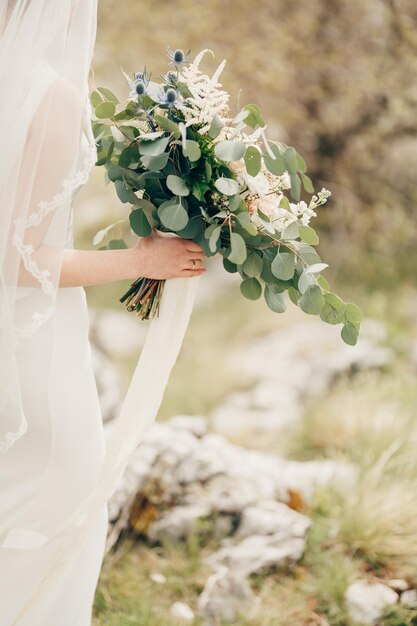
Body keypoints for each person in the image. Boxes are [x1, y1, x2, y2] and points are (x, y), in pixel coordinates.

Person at [0, 1, 205, 624]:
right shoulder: (47, 94)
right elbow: (17, 263)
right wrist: (141, 260)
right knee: (60, 504)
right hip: (30, 347)